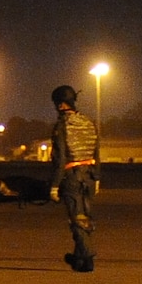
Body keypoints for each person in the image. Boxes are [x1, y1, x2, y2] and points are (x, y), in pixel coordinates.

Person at [49, 84, 100, 272]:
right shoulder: (89, 122)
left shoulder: (62, 125)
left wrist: (54, 185)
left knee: (76, 219)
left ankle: (88, 254)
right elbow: (97, 151)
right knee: (85, 217)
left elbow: (61, 158)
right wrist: (98, 177)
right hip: (90, 176)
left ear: (61, 105)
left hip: (72, 176)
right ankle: (80, 260)